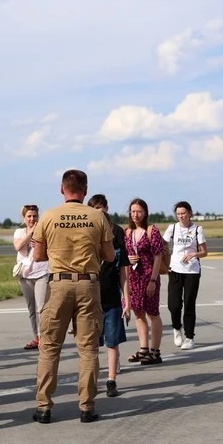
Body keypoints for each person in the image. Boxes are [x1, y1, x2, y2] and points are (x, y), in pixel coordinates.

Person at [30, 169, 114, 424]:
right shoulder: (97, 216)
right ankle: (87, 407)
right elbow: (110, 256)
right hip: (88, 285)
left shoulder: (49, 216)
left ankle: (44, 407)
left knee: (50, 348)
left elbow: (37, 256)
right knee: (88, 350)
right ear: (85, 190)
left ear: (61, 189)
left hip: (58, 285)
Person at [88, 194, 130, 397]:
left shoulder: (118, 233)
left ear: (106, 209)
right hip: (90, 297)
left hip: (112, 296)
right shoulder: (87, 230)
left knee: (112, 341)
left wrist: (127, 301)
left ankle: (111, 379)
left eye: (100, 210)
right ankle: (91, 379)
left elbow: (123, 269)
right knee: (92, 343)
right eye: (93, 210)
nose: (98, 214)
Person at [124, 198, 165, 365]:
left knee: (152, 313)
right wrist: (128, 258)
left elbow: (158, 256)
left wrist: (153, 280)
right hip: (134, 278)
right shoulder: (127, 232)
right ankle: (143, 349)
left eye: (139, 211)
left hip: (148, 277)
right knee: (138, 313)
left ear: (145, 213)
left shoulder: (151, 231)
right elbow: (123, 253)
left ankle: (155, 351)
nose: (136, 214)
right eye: (133, 211)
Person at [164, 201, 207, 351]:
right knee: (173, 305)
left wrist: (194, 254)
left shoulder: (197, 229)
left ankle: (189, 337)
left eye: (183, 213)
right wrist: (165, 263)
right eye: (178, 214)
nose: (181, 216)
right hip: (175, 270)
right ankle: (177, 328)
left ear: (190, 213)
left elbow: (204, 252)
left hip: (192, 271)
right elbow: (162, 245)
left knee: (189, 303)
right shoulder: (172, 228)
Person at [14, 204, 49, 350]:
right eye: (29, 216)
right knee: (31, 308)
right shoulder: (20, 232)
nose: (32, 218)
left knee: (41, 308)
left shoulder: (44, 230)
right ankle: (36, 336)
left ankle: (43, 338)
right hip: (25, 275)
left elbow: (51, 248)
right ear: (24, 218)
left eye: (34, 216)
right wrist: (30, 234)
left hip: (41, 273)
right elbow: (18, 246)